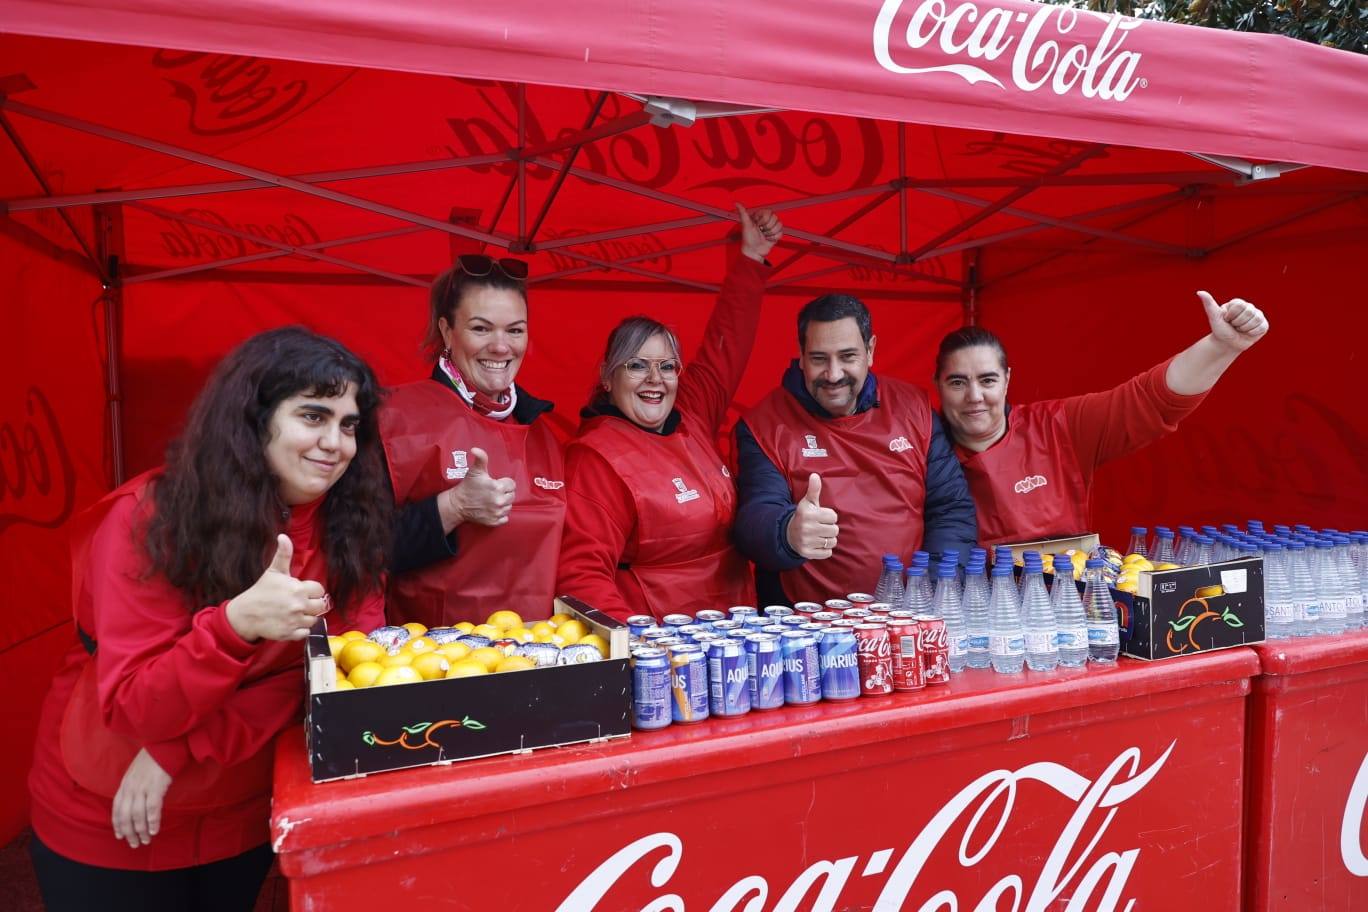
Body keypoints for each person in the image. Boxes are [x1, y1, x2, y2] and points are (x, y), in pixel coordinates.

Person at [27, 328, 390, 912]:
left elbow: (336, 678)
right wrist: (235, 625)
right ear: (253, 418)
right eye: (313, 416)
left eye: (349, 424)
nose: (335, 443)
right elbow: (135, 705)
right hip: (114, 814)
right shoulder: (149, 518)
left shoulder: (352, 522)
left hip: (237, 814)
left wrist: (178, 750)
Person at [556, 205, 782, 621]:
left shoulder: (691, 414)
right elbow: (581, 575)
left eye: (666, 366)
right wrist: (638, 652)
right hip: (668, 653)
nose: (654, 379)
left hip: (735, 636)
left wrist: (751, 259)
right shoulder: (595, 459)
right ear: (608, 378)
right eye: (637, 365)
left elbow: (724, 347)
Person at [935, 290, 1270, 546]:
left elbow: (1151, 401)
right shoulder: (919, 446)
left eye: (987, 380)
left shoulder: (1057, 427)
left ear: (1008, 379)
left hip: (1063, 611)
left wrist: (1221, 347)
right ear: (938, 385)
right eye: (957, 382)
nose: (974, 396)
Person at [733, 294, 978, 606]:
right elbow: (754, 516)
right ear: (801, 355)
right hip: (809, 626)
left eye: (847, 356)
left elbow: (950, 509)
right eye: (819, 358)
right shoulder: (764, 425)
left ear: (871, 350)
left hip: (908, 618)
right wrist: (787, 533)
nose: (833, 375)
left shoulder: (914, 408)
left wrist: (931, 590)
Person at [381, 252, 563, 627]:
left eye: (515, 330)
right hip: (432, 659)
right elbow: (353, 551)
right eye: (481, 329)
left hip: (538, 653)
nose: (501, 346)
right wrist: (451, 507)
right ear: (447, 331)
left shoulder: (544, 430)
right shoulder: (395, 416)